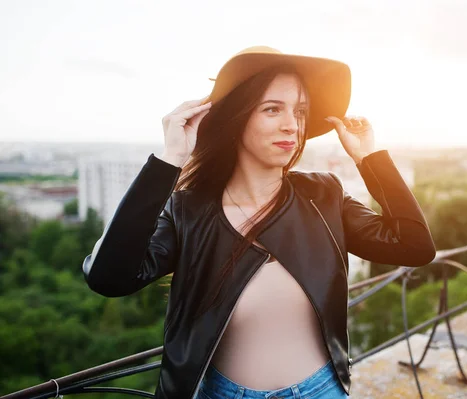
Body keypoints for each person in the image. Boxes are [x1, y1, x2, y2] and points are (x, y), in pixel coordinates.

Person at [82, 46, 436, 399]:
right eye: (272, 109)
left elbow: (415, 245)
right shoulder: (188, 210)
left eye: (300, 111)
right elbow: (109, 278)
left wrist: (369, 158)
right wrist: (169, 159)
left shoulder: (322, 196)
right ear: (236, 119)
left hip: (322, 391)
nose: (291, 124)